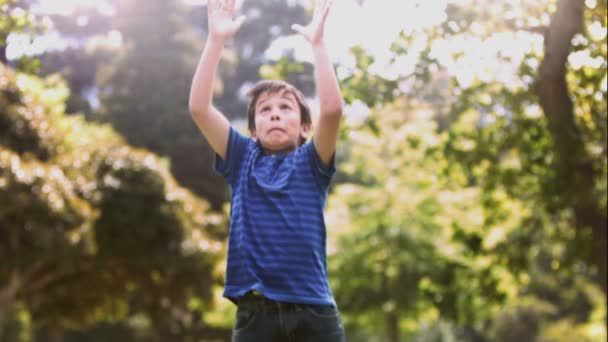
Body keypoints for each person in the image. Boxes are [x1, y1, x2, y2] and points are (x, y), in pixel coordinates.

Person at [188, 0, 345, 340]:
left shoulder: (312, 162)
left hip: (314, 313)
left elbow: (332, 111)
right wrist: (215, 41)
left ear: (305, 128)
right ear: (254, 130)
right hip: (255, 316)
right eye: (265, 109)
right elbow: (199, 107)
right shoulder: (241, 157)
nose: (275, 114)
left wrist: (318, 46)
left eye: (285, 108)